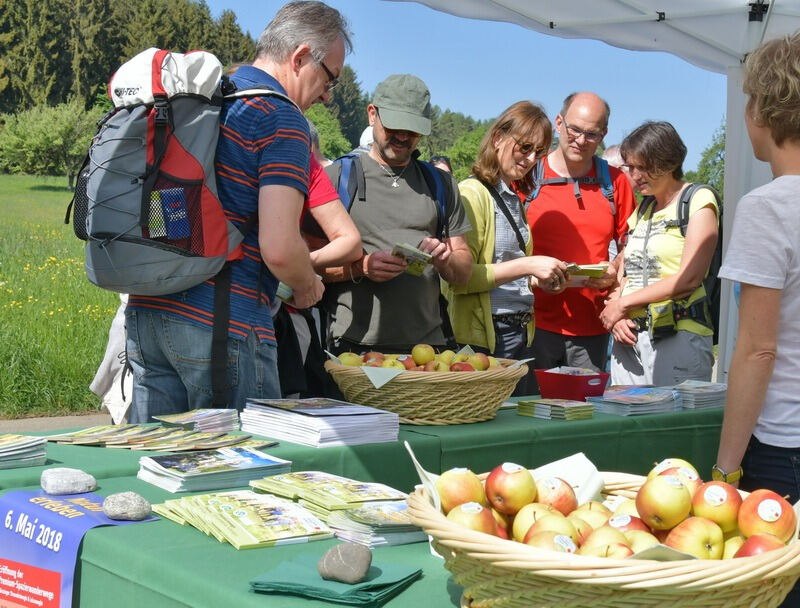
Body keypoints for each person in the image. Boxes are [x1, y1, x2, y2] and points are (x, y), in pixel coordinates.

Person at [125, 1, 352, 421]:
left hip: (148, 310)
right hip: (223, 323)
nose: (326, 93)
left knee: (158, 468)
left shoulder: (204, 96)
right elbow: (281, 248)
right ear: (301, 56)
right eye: (330, 78)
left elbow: (166, 216)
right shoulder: (281, 117)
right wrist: (307, 285)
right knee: (240, 476)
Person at [715, 33, 800, 608]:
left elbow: (756, 350)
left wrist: (723, 471)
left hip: (784, 446)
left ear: (759, 111)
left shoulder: (768, 207)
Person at [321, 74, 473, 354]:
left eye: (412, 130)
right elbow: (307, 266)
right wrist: (361, 269)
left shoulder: (440, 184)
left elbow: (463, 272)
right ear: (372, 115)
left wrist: (445, 260)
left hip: (429, 348)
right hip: (352, 347)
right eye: (394, 126)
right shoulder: (337, 178)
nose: (403, 136)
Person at [442, 101, 569, 394]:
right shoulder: (472, 193)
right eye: (524, 147)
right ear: (498, 138)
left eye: (538, 152)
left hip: (518, 332)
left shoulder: (512, 197)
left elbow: (506, 272)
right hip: (486, 339)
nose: (530, 159)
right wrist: (527, 265)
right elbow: (460, 279)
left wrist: (539, 279)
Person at [526, 93, 635, 383]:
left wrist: (614, 273)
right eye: (574, 129)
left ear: (603, 135)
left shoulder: (616, 182)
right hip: (533, 324)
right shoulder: (528, 175)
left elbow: (631, 246)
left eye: (591, 134)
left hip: (592, 327)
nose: (580, 140)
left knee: (583, 418)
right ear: (559, 123)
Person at [599, 121, 719, 385]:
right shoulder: (642, 210)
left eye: (644, 167)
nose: (635, 175)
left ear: (669, 162)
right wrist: (617, 310)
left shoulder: (698, 199)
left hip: (678, 335)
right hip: (629, 341)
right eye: (631, 167)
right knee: (625, 424)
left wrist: (623, 305)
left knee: (672, 425)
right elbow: (625, 270)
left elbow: (688, 279)